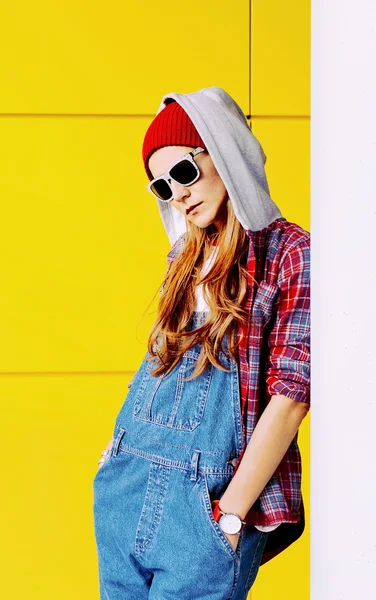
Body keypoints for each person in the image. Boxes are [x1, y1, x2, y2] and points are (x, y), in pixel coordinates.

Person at [91, 86, 310, 600]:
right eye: (162, 186)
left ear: (224, 153)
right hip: (127, 486)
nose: (179, 193)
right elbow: (158, 362)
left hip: (205, 507)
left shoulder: (289, 254)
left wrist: (231, 516)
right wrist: (111, 461)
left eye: (185, 172)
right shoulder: (186, 257)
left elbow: (292, 397)